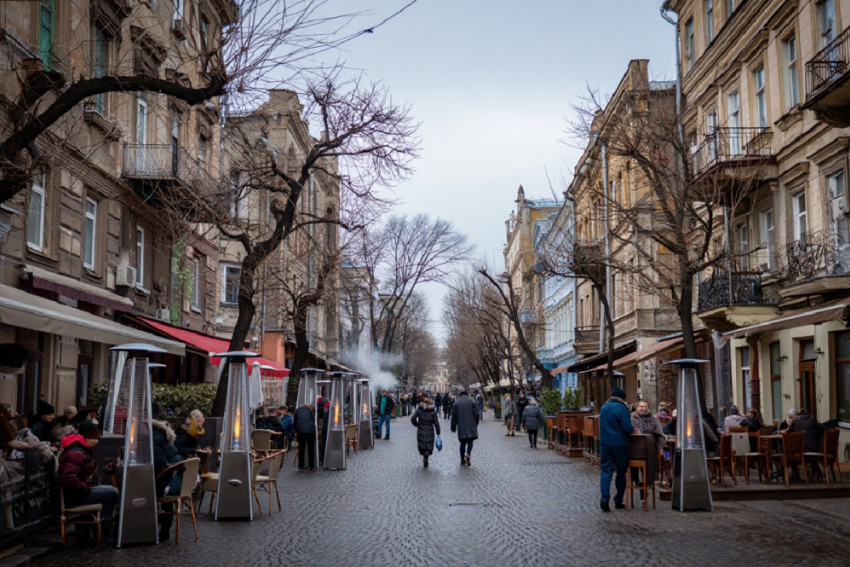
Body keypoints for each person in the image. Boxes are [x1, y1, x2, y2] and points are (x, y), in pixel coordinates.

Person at [57, 422, 119, 544]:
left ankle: (99, 530)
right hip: (75, 496)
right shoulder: (77, 453)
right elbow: (68, 478)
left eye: (97, 438)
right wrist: (84, 488)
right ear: (84, 437)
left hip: (76, 493)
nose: (96, 441)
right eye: (92, 438)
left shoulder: (79, 449)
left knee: (110, 489)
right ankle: (102, 532)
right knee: (113, 493)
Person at [598, 387, 637, 512]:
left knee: (606, 471)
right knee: (621, 473)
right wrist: (632, 430)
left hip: (605, 444)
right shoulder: (622, 408)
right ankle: (618, 500)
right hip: (620, 444)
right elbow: (626, 427)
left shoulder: (604, 408)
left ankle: (604, 499)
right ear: (622, 398)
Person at [153, 419, 184, 542]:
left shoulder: (154, 440)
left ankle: (158, 527)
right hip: (179, 481)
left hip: (169, 484)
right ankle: (163, 527)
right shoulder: (163, 437)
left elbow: (160, 466)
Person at [450, 390, 479, 467]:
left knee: (462, 443)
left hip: (461, 425)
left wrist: (453, 427)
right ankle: (468, 453)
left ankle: (462, 460)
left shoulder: (457, 403)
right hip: (471, 424)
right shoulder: (472, 401)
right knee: (470, 442)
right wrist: (476, 423)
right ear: (467, 394)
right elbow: (476, 413)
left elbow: (454, 416)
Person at [411, 396, 441, 468]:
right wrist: (438, 432)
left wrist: (417, 424)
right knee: (428, 444)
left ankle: (424, 458)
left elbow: (413, 418)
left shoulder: (419, 409)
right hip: (430, 429)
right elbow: (436, 423)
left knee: (423, 443)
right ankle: (426, 458)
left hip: (421, 429)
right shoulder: (433, 411)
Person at [294, 404, 317, 471]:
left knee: (301, 448)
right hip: (310, 430)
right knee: (311, 448)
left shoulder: (297, 411)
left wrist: (296, 430)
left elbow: (295, 422)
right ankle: (311, 466)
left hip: (301, 431)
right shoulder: (310, 411)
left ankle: (301, 466)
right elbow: (313, 420)